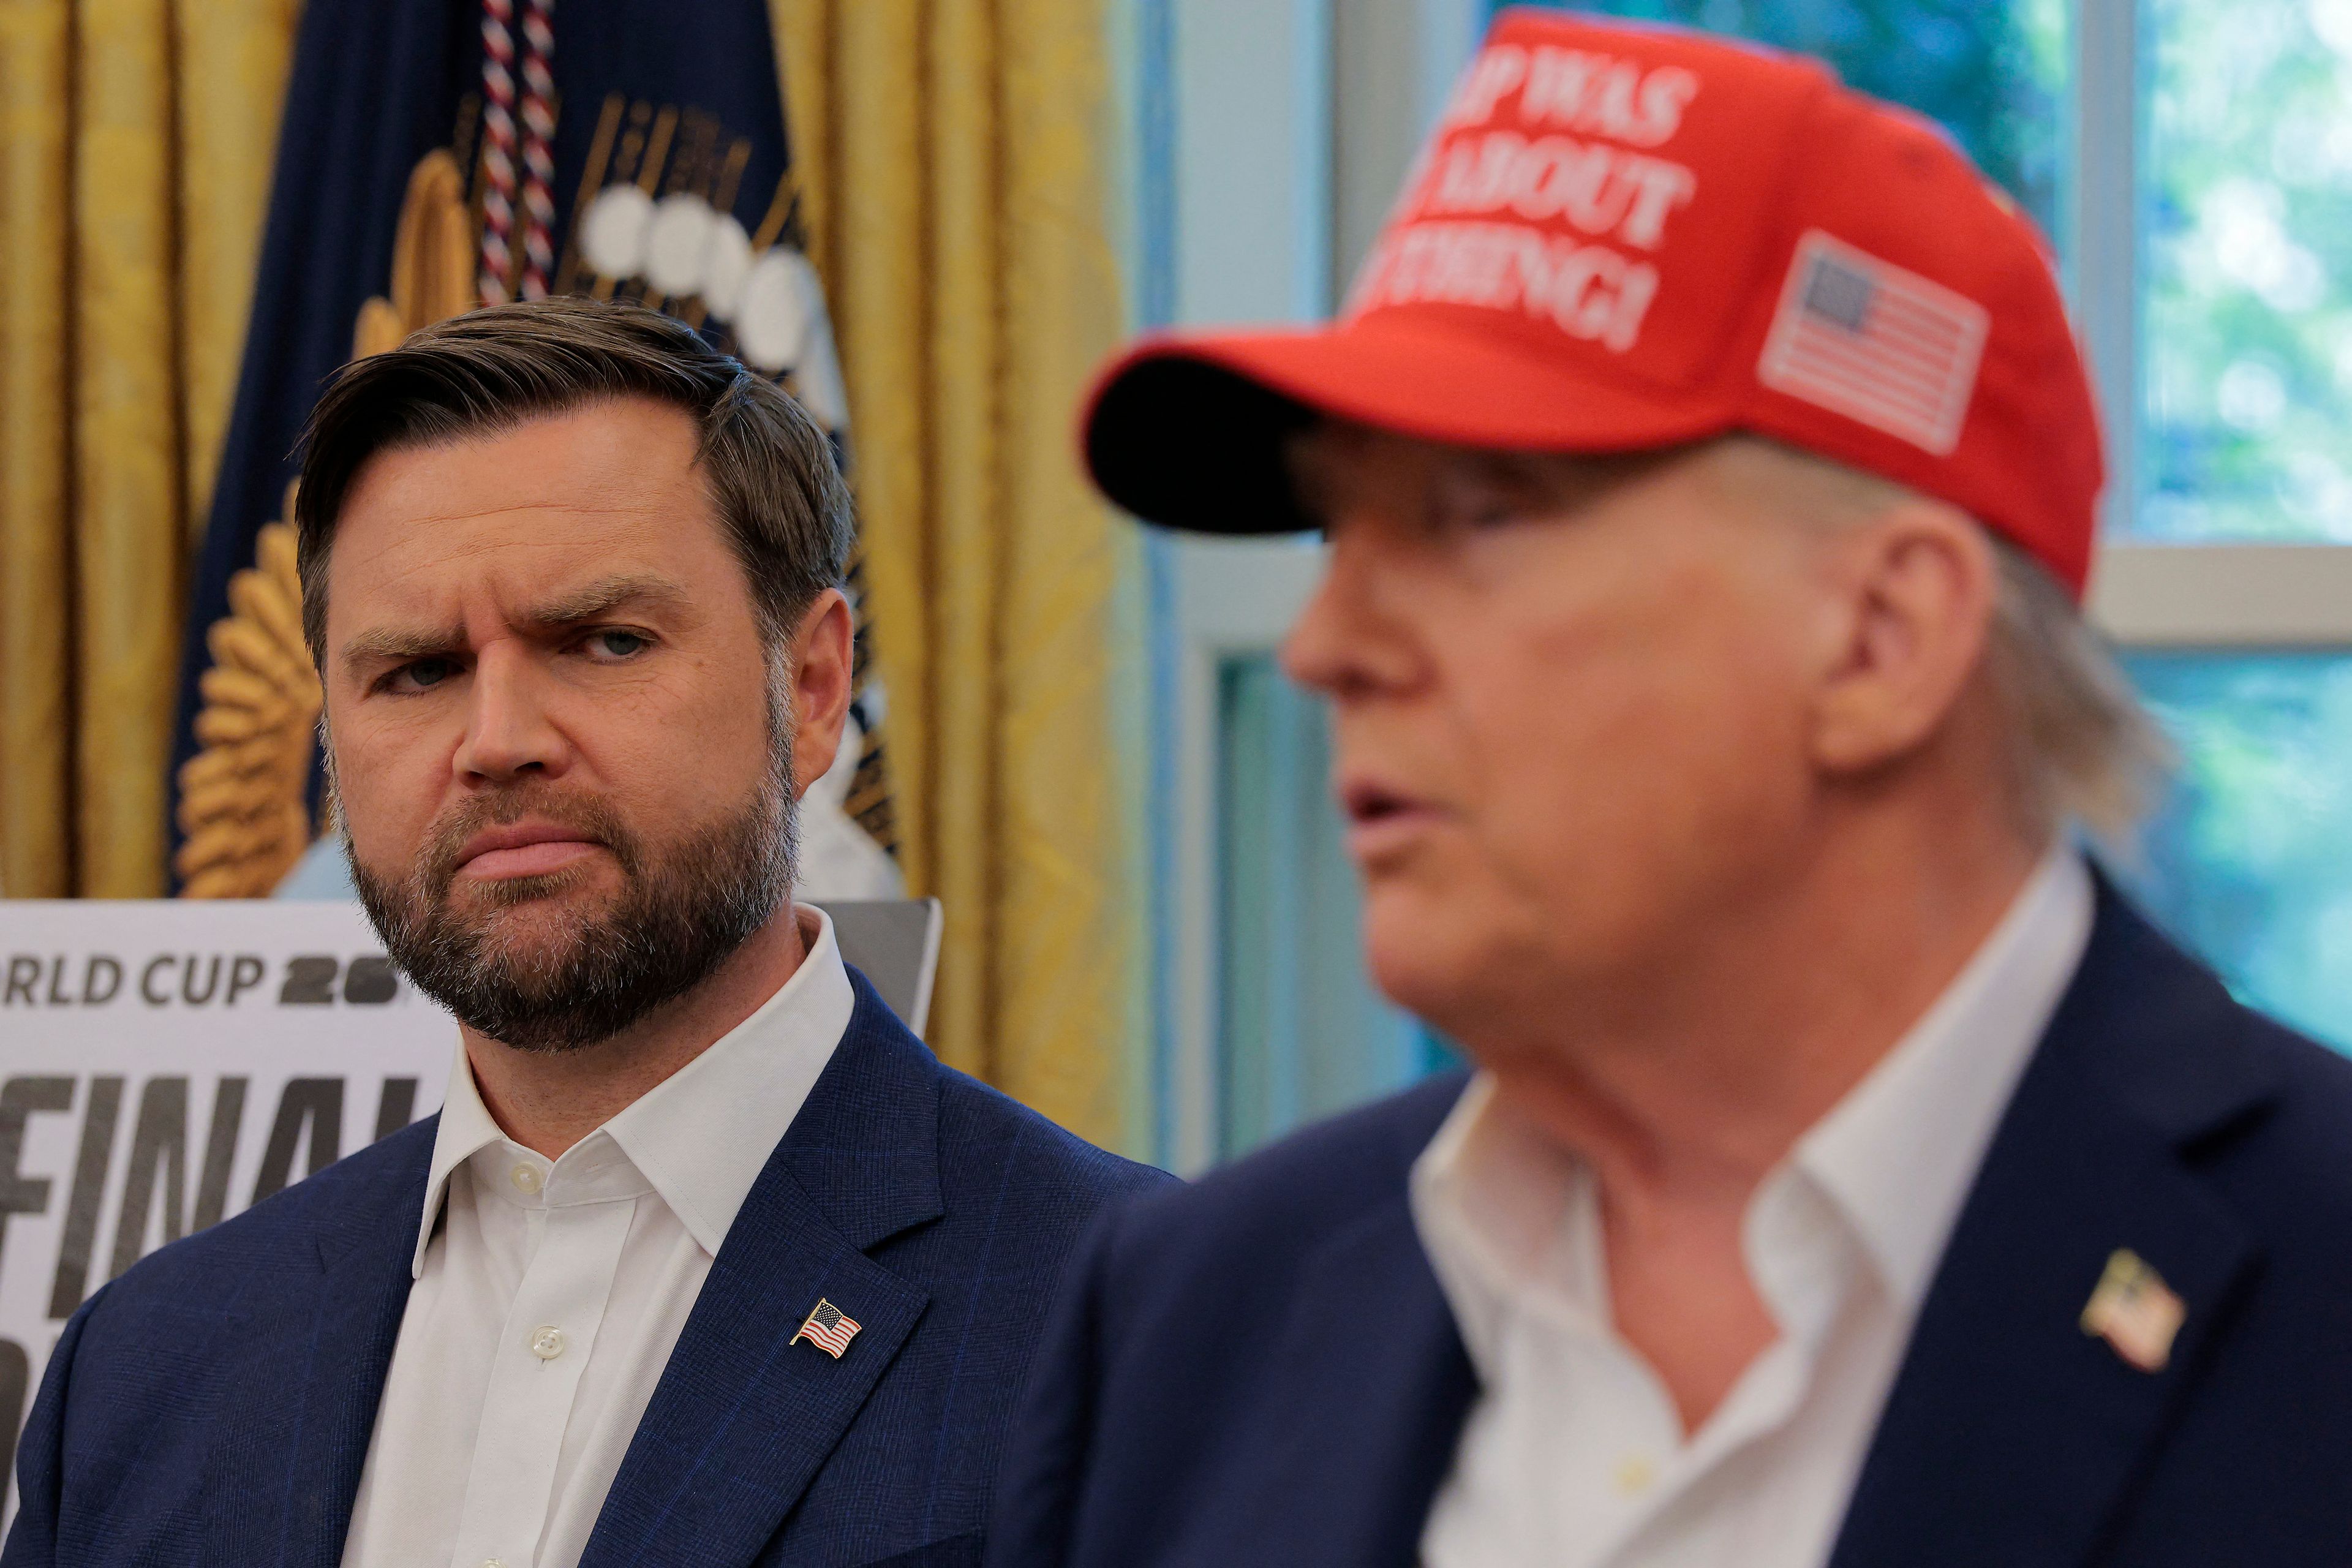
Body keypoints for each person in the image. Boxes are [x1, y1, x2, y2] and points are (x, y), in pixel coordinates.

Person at [989, 12, 2352, 1568]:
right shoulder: (1191, 1317)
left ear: (1880, 638)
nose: (1324, 644)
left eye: (1479, 515)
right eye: (1332, 537)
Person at [4, 300, 1166, 1568]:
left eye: (605, 640)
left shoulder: (1143, 1326)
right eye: (416, 671)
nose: (498, 738)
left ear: (815, 688)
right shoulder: (143, 1370)